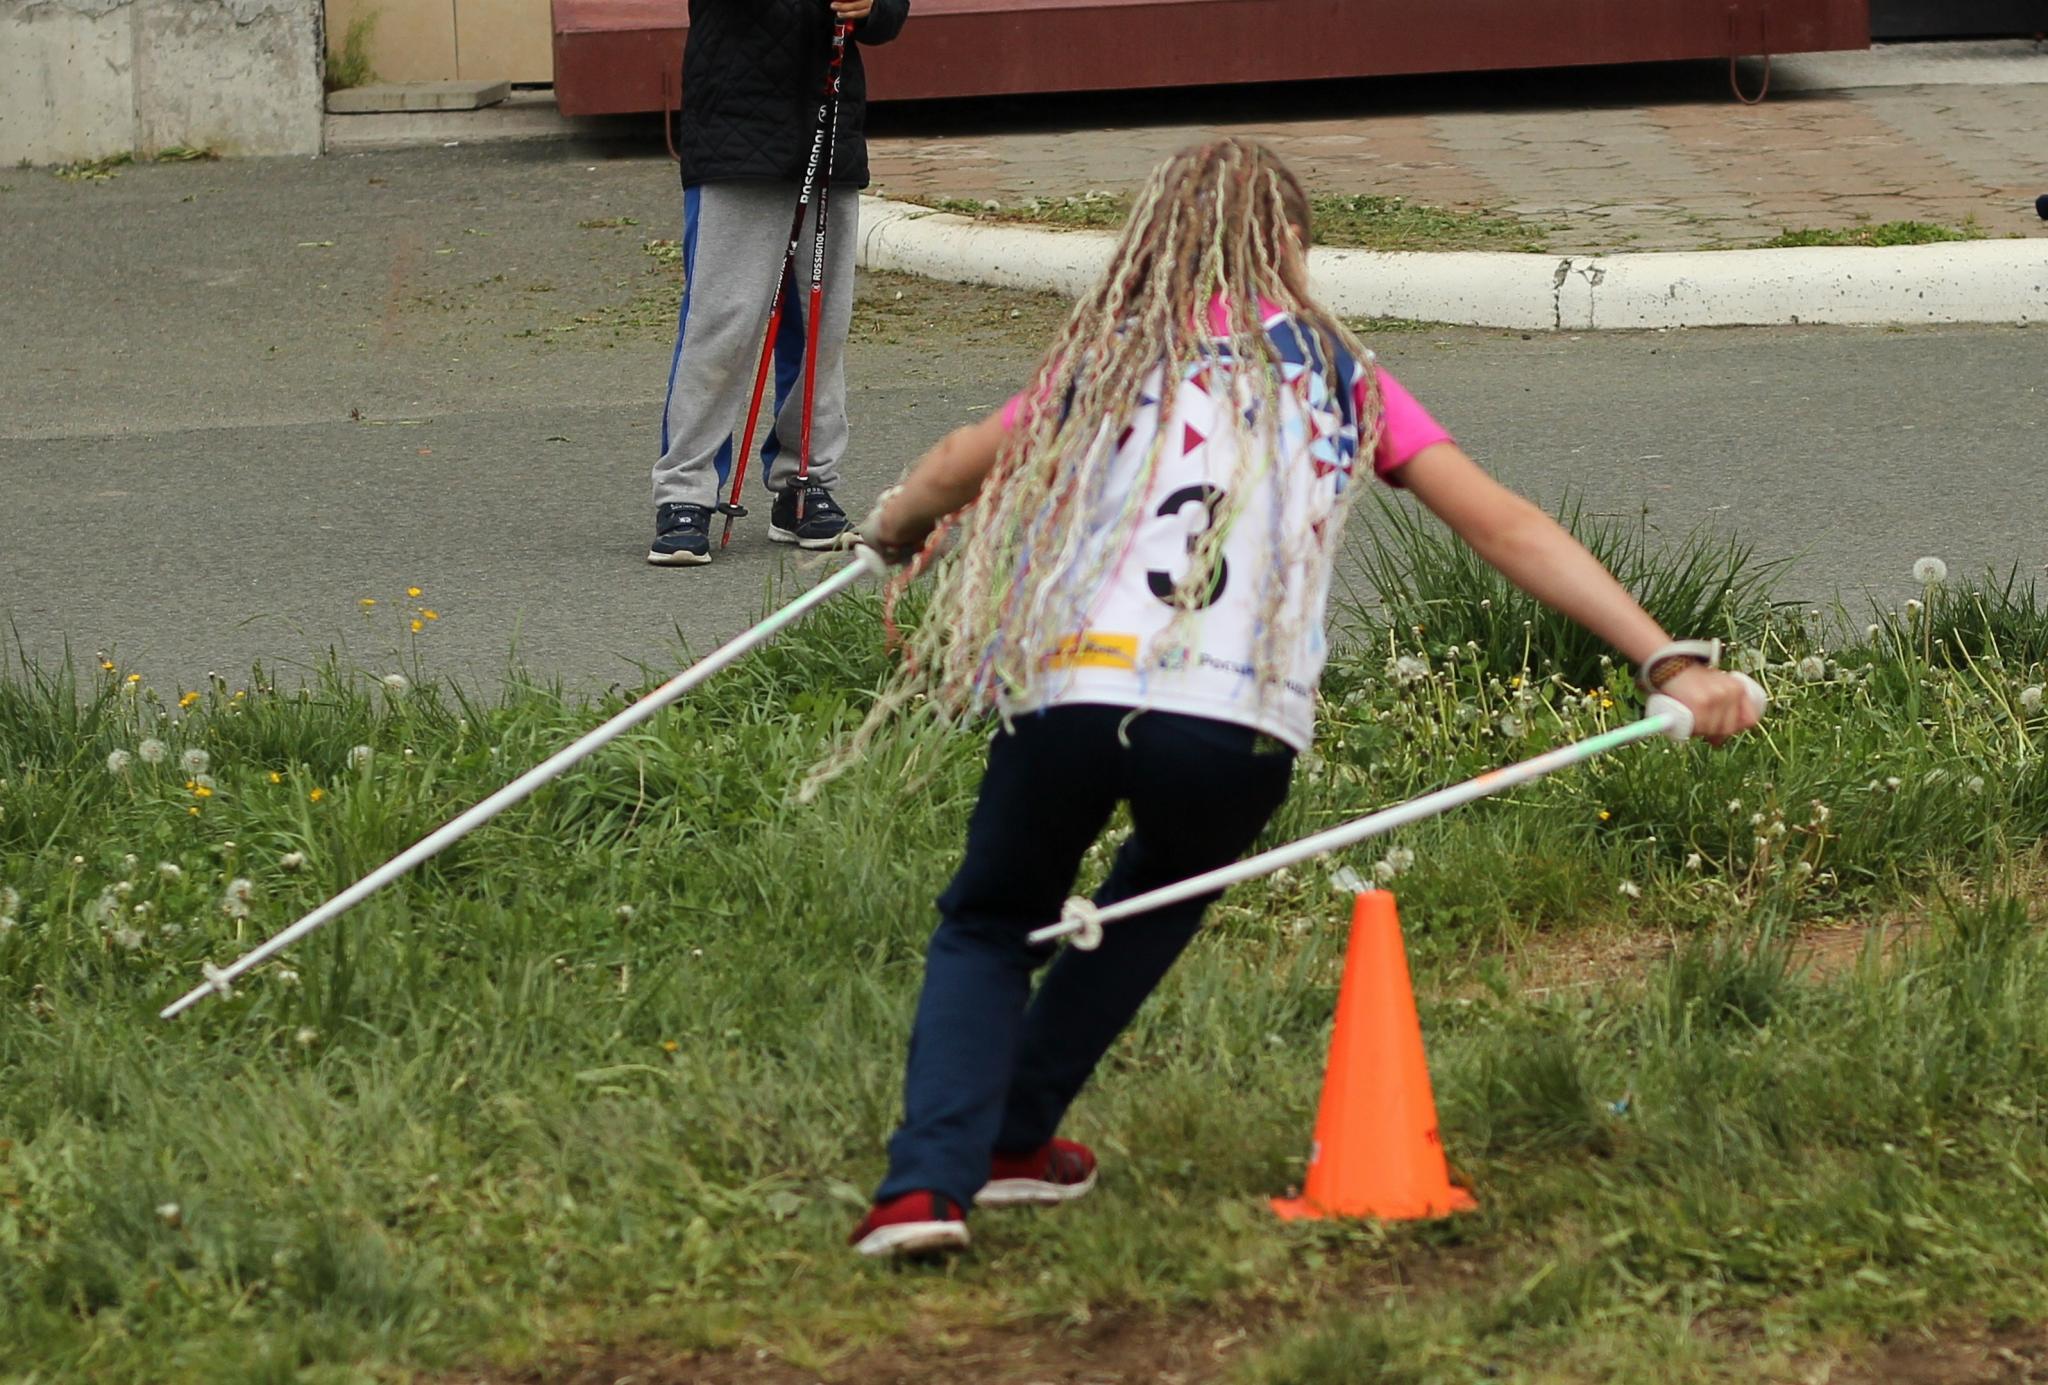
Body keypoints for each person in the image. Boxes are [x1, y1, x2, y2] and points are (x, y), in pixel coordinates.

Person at [840, 138, 1762, 1259]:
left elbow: (954, 463)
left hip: (1077, 688)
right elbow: (1500, 522)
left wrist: (893, 530)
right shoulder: (1341, 375)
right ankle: (1013, 1140)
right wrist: (1663, 656)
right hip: (1240, 721)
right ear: (1288, 248)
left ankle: (923, 1186)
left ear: (1154, 242)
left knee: (989, 918)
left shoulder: (1112, 352)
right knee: (1156, 895)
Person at [648, 0, 909, 567]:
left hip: (831, 128)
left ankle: (804, 483)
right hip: (736, 133)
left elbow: (889, 18)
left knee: (822, 323)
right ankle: (686, 493)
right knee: (725, 321)